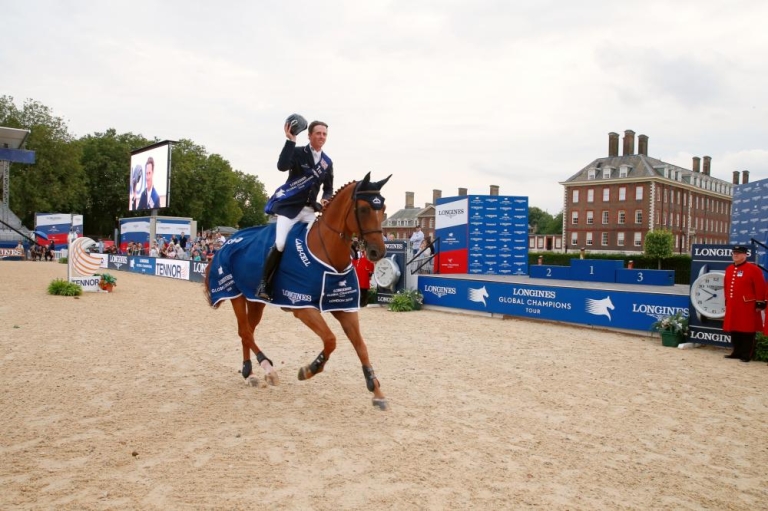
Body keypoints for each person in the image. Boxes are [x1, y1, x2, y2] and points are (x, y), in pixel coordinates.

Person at [256, 118, 334, 300]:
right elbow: (282, 166)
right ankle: (263, 284)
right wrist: (290, 140)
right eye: (318, 133)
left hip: (309, 212)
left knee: (320, 243)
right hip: (290, 209)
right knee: (281, 243)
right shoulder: (298, 153)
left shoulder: (327, 162)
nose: (322, 137)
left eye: (324, 134)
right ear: (310, 135)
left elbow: (329, 187)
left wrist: (325, 198)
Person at [723, 245, 766, 363]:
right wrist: (727, 300)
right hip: (733, 304)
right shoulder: (729, 268)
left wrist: (760, 303)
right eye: (734, 253)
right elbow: (726, 286)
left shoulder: (753, 269)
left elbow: (760, 287)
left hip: (747, 305)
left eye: (738, 253)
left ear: (745, 255)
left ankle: (746, 354)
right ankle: (736, 352)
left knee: (747, 330)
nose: (735, 255)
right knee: (734, 329)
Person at [351, 240, 374, 307]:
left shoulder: (367, 254)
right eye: (360, 247)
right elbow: (354, 262)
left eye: (362, 247)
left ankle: (364, 301)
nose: (361, 248)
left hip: (364, 273)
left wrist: (370, 272)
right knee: (357, 287)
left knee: (364, 288)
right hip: (357, 273)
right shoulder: (357, 254)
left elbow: (370, 263)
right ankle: (358, 301)